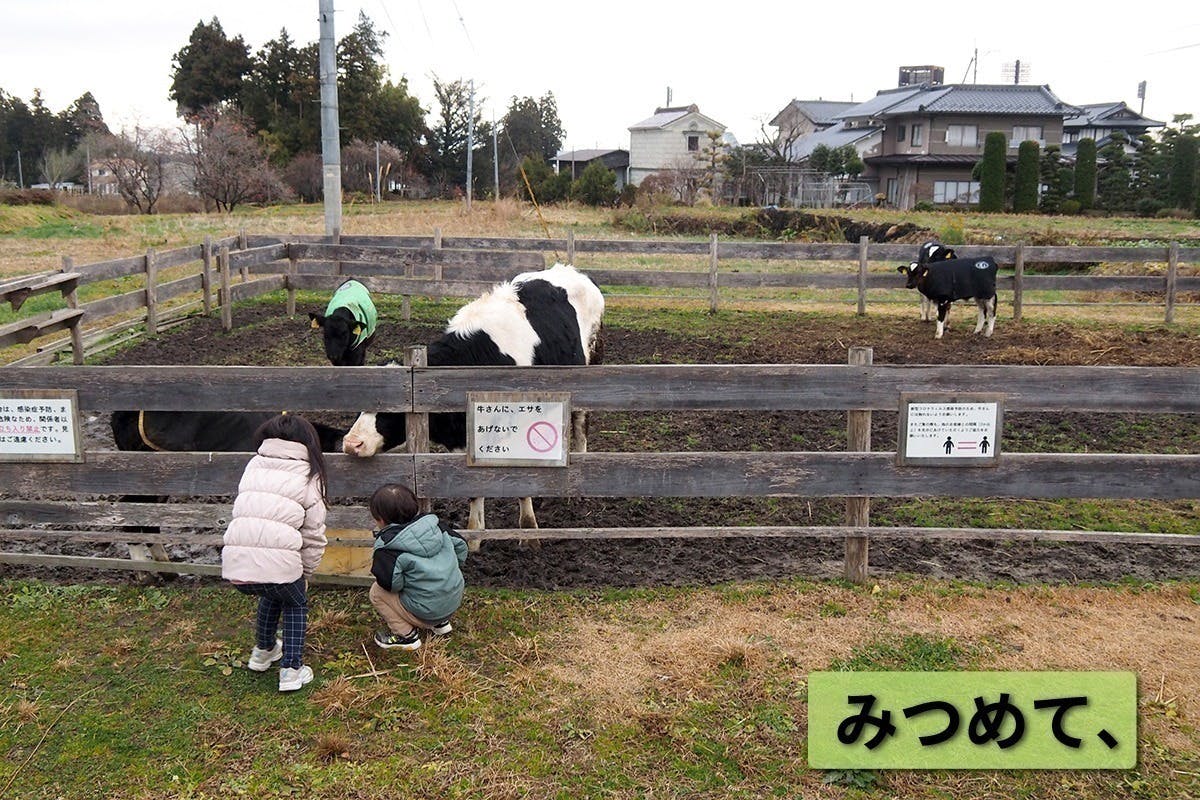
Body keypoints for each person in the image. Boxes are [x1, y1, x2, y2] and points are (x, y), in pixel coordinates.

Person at [221, 414, 328, 692]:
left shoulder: (254, 463)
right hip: (278, 565)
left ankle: (263, 651)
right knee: (295, 600)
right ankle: (292, 669)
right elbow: (314, 533)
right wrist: (306, 572)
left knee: (275, 589)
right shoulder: (310, 474)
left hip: (236, 565)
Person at [367, 483, 468, 651]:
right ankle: (441, 623)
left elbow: (391, 585)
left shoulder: (388, 547)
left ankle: (406, 636)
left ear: (380, 519)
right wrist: (448, 568)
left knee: (376, 592)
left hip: (426, 610)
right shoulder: (436, 526)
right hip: (453, 598)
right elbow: (462, 546)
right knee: (431, 582)